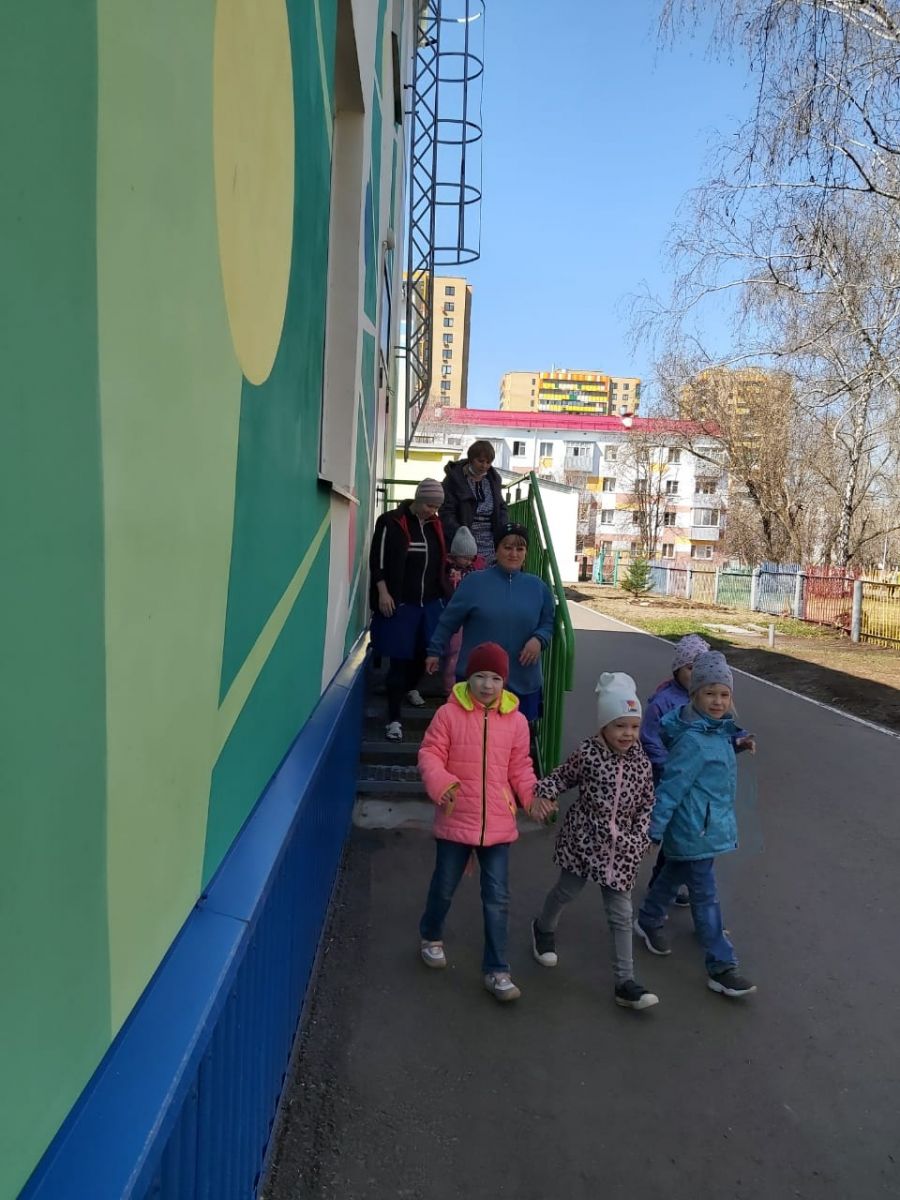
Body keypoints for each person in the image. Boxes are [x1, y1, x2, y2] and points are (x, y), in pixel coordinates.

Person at [416, 643, 545, 1002]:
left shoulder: (516, 721)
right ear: (467, 677)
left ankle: (498, 969)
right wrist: (441, 783)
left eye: (495, 678)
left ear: (505, 681)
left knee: (497, 898)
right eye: (480, 676)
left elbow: (520, 768)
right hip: (457, 815)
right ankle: (431, 935)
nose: (487, 685)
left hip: (498, 823)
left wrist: (531, 797)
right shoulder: (448, 715)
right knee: (444, 886)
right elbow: (430, 754)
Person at [530, 673, 660, 1011]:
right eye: (620, 726)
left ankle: (625, 982)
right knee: (566, 891)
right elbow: (561, 777)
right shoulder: (588, 753)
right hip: (583, 842)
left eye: (634, 726)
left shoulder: (641, 762)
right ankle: (542, 927)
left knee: (621, 915)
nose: (627, 734)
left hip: (621, 850)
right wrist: (544, 793)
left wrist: (642, 834)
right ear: (604, 725)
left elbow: (647, 802)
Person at [634, 651, 758, 998]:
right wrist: (654, 829)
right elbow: (671, 788)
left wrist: (738, 743)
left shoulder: (716, 731)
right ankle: (721, 965)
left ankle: (648, 918)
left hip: (705, 826)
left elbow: (714, 755)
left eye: (724, 694)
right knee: (705, 896)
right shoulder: (691, 740)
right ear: (694, 695)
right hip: (694, 829)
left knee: (674, 872)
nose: (717, 701)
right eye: (709, 693)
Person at [424, 522, 554, 722]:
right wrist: (434, 651)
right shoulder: (474, 583)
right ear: (496, 549)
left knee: (517, 738)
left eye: (520, 549)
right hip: (478, 682)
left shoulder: (538, 587)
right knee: (473, 737)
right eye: (507, 547)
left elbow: (548, 622)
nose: (513, 554)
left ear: (526, 552)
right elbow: (448, 621)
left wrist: (539, 639)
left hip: (523, 679)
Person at [369, 478, 447, 741]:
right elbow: (377, 561)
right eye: (428, 505)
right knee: (399, 661)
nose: (432, 511)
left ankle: (411, 687)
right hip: (402, 603)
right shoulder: (390, 521)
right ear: (417, 499)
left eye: (436, 507)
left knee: (426, 654)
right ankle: (394, 720)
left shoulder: (435, 525)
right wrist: (383, 592)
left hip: (430, 603)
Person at [641, 633, 710, 907]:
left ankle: (670, 883)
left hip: (696, 784)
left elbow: (714, 731)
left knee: (686, 834)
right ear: (678, 668)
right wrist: (672, 766)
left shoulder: (704, 699)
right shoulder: (663, 701)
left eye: (701, 668)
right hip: (669, 780)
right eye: (691, 668)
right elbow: (650, 739)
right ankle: (661, 885)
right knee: (674, 834)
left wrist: (736, 742)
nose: (696, 674)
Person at [439, 440, 509, 567]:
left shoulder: (493, 480)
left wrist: (503, 527)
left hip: (490, 540)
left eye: (488, 462)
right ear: (471, 459)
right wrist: (460, 533)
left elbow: (501, 506)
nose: (484, 466)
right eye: (481, 461)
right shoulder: (454, 480)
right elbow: (446, 511)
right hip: (464, 540)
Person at [441, 526, 485, 694]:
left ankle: (463, 687)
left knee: (462, 652)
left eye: (470, 558)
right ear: (454, 555)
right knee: (453, 653)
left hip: (469, 618)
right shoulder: (447, 570)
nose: (467, 561)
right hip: (454, 617)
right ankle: (450, 690)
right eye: (464, 558)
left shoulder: (475, 571)